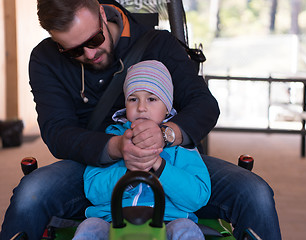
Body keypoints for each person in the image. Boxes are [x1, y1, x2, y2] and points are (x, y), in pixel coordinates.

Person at [0, 0, 281, 239]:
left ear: (100, 12)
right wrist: (117, 147)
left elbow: (204, 105)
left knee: (255, 193)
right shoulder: (45, 59)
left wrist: (166, 134)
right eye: (73, 51)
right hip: (93, 166)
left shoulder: (159, 44)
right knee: (30, 194)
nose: (89, 54)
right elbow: (57, 132)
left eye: (94, 40)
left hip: (171, 156)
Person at [73, 60, 211, 240]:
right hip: (112, 219)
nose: (141, 107)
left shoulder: (181, 145)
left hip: (168, 219)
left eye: (152, 99)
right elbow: (93, 191)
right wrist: (130, 171)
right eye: (133, 99)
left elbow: (198, 196)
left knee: (187, 230)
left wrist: (159, 166)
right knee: (89, 227)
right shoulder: (112, 139)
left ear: (167, 107)